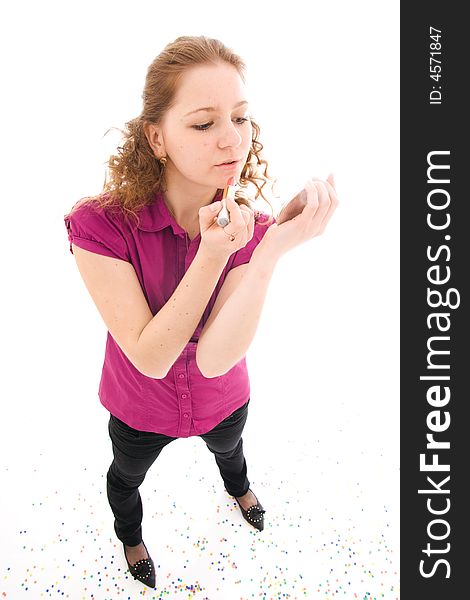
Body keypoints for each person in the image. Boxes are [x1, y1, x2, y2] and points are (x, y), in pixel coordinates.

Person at [63, 35, 338, 589]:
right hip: (139, 404)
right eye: (203, 123)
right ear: (156, 138)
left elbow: (214, 360)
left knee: (232, 450)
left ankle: (238, 490)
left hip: (222, 397)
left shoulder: (253, 230)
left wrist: (268, 253)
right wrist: (212, 255)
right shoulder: (99, 226)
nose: (232, 139)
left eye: (240, 117)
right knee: (126, 476)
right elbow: (150, 355)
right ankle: (131, 539)